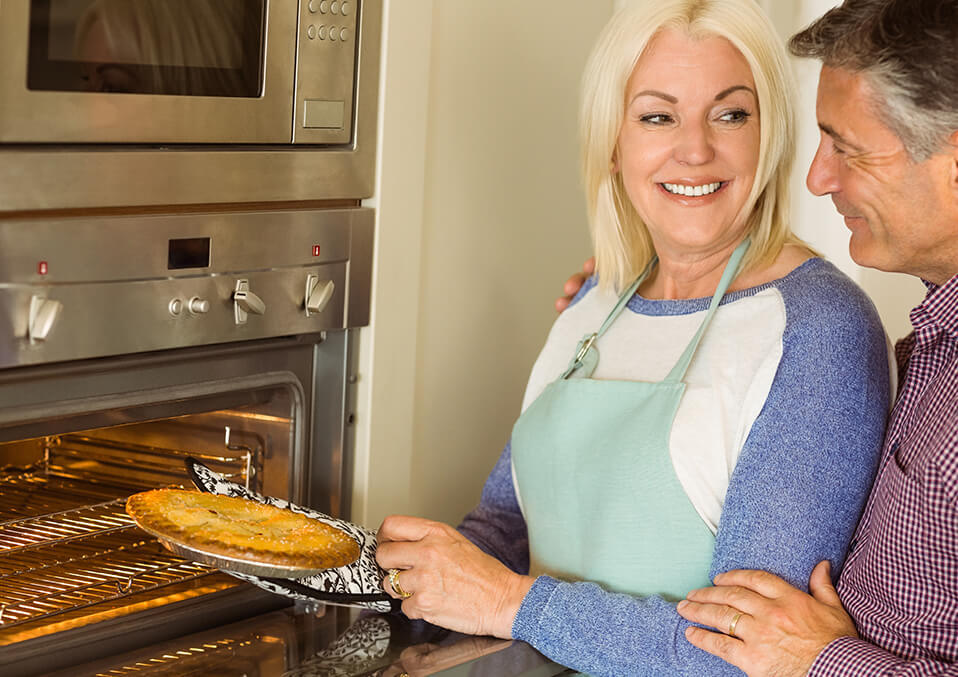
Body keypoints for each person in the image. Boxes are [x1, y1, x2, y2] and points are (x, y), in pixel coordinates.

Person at [375, 1, 890, 675]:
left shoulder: (820, 330)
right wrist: (384, 576)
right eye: (657, 115)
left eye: (731, 113)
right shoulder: (596, 300)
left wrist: (510, 602)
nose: (696, 148)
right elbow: (503, 528)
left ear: (770, 135)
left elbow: (739, 653)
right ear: (613, 142)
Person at [670, 1, 958, 675]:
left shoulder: (829, 327)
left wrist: (822, 660)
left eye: (848, 148)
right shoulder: (940, 336)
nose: (817, 178)